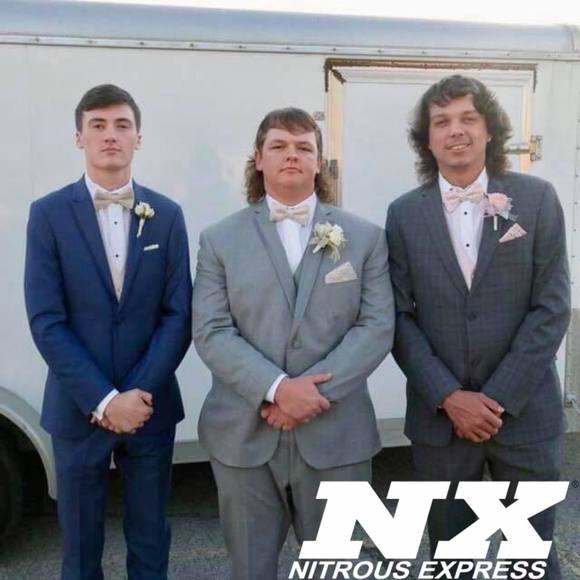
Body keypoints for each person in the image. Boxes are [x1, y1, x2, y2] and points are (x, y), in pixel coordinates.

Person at [192, 107, 394, 580]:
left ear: (318, 162)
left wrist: (311, 396)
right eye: (279, 145)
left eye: (304, 147)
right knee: (250, 570)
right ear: (258, 158)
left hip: (337, 436)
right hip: (243, 436)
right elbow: (212, 331)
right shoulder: (219, 240)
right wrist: (279, 389)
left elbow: (376, 327)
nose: (292, 155)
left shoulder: (365, 238)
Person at [386, 74, 570, 577]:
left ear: (490, 130)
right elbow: (398, 317)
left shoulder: (537, 199)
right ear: (427, 139)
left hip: (525, 416)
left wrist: (498, 398)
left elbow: (552, 306)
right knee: (452, 560)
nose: (456, 130)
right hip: (441, 423)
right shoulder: (403, 214)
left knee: (531, 559)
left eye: (469, 118)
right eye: (441, 121)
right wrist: (449, 397)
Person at [24, 84, 192, 580]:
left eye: (122, 125)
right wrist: (103, 400)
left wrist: (136, 395)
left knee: (150, 539)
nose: (110, 135)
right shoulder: (48, 214)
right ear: (79, 137)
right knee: (79, 550)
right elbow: (46, 320)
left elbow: (178, 314)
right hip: (78, 410)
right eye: (97, 125)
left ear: (138, 137)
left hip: (149, 409)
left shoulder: (167, 215)